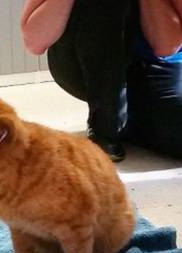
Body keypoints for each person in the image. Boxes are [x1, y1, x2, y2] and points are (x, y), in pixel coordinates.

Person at [21, 0, 182, 161]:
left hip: (154, 68)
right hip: (85, 65)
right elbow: (35, 42)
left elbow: (166, 47)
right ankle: (106, 126)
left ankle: (128, 121)